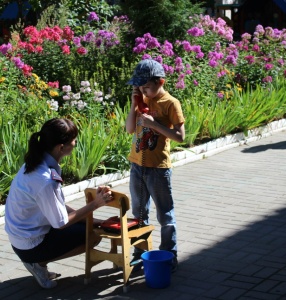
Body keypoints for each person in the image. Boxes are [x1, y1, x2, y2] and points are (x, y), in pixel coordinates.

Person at [4, 118, 113, 289]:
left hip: (20, 238)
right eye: (73, 140)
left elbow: (58, 206)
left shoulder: (36, 163)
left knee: (91, 226)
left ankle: (37, 261)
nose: (76, 143)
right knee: (93, 236)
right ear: (61, 147)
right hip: (29, 245)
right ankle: (37, 263)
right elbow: (60, 222)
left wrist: (95, 220)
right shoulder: (45, 179)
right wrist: (95, 204)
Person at [125, 59, 185, 271]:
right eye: (140, 87)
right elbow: (130, 130)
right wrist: (134, 105)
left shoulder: (170, 103)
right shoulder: (141, 99)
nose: (143, 90)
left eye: (147, 87)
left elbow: (180, 136)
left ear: (160, 81)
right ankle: (140, 252)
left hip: (158, 169)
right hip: (137, 165)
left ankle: (169, 253)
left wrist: (153, 124)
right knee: (139, 212)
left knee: (164, 214)